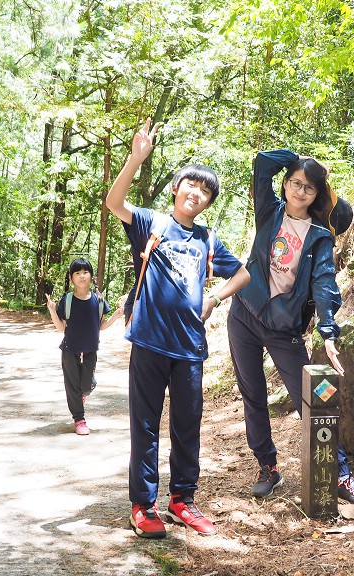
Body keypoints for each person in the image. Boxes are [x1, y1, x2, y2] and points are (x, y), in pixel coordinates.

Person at [106, 118, 251, 538]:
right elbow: (114, 203)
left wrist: (213, 298)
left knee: (187, 426)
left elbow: (243, 274)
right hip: (150, 342)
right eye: (191, 184)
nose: (197, 193)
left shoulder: (207, 239)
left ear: (207, 202)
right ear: (176, 187)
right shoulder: (151, 222)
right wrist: (136, 159)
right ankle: (143, 505)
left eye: (205, 191)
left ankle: (182, 500)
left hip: (190, 347)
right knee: (146, 425)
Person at [227, 148, 354, 512]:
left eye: (309, 188)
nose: (300, 191)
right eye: (295, 183)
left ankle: (341, 476)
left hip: (284, 330)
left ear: (317, 195)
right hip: (244, 315)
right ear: (286, 183)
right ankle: (268, 467)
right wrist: (300, 158)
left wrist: (328, 332)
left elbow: (324, 284)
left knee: (312, 402)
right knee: (253, 395)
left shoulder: (319, 236)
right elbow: (262, 161)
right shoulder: (268, 211)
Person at [46, 257, 123, 435]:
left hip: (90, 348)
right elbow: (60, 327)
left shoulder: (99, 300)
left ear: (91, 276)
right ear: (71, 278)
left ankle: (86, 388)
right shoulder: (68, 300)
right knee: (73, 386)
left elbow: (101, 326)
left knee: (86, 386)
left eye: (85, 272)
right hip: (70, 347)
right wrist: (51, 309)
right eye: (77, 273)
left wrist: (116, 316)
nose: (82, 276)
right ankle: (79, 419)